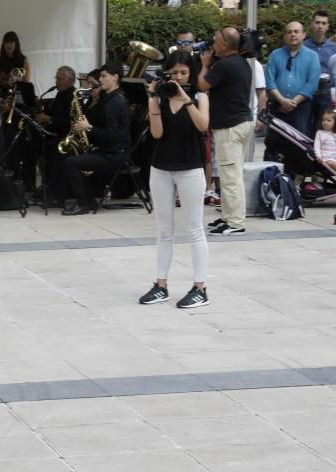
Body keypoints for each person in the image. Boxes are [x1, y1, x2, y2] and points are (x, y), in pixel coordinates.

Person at [139, 51, 211, 310]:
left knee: (194, 228)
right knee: (163, 230)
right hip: (161, 167)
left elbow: (203, 126)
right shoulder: (160, 98)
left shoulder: (199, 97)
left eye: (183, 72)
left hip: (190, 168)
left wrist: (185, 99)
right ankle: (161, 285)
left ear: (190, 72)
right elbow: (157, 133)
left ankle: (200, 287)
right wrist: (152, 99)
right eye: (173, 73)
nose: (178, 77)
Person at [198, 27, 253, 236]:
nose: (211, 46)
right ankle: (228, 216)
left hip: (230, 127)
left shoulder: (225, 65)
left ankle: (236, 222)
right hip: (240, 123)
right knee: (230, 173)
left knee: (230, 177)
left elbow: (202, 85)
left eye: (214, 42)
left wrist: (204, 66)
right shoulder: (241, 62)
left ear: (223, 45)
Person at [62, 63, 130, 215]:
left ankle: (82, 204)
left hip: (115, 155)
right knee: (78, 158)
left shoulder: (115, 102)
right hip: (110, 151)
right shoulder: (111, 99)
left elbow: (112, 136)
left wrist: (89, 128)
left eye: (104, 76)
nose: (100, 79)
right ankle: (89, 201)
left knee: (71, 162)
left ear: (115, 77)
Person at [265, 21, 319, 159]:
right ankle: (272, 177)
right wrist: (282, 101)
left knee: (298, 145)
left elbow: (312, 83)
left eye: (296, 31)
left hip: (300, 108)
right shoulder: (275, 55)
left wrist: (292, 102)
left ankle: (292, 178)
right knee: (272, 143)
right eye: (289, 32)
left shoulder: (312, 56)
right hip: (277, 107)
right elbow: (270, 81)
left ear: (303, 35)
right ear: (284, 36)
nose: (292, 34)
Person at [35, 66, 76, 205]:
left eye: (60, 78)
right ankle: (48, 188)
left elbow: (69, 121)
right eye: (56, 78)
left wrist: (49, 119)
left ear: (70, 80)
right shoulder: (60, 94)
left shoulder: (72, 96)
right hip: (55, 134)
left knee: (54, 153)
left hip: (65, 137)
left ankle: (57, 193)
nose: (57, 81)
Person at [306, 10, 336, 137]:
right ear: (312, 24)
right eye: (317, 22)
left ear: (328, 26)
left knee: (324, 128)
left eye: (323, 23)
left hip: (325, 93)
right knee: (305, 127)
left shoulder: (334, 48)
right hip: (306, 94)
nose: (320, 26)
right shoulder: (303, 47)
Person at [315, 109, 336, 181]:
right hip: (324, 158)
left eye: (328, 120)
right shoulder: (320, 133)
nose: (325, 122)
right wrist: (318, 156)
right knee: (335, 165)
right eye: (323, 120)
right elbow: (317, 146)